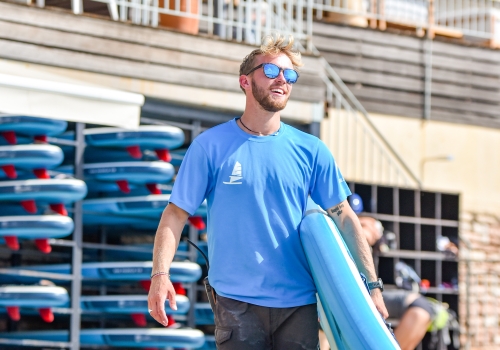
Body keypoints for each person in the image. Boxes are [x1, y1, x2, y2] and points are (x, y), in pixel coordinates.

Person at [147, 33, 388, 350]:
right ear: (245, 82)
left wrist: (371, 287)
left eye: (290, 75)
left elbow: (344, 218)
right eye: (272, 71)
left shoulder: (311, 150)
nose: (282, 80)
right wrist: (160, 275)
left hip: (298, 302)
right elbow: (175, 215)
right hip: (236, 303)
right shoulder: (210, 146)